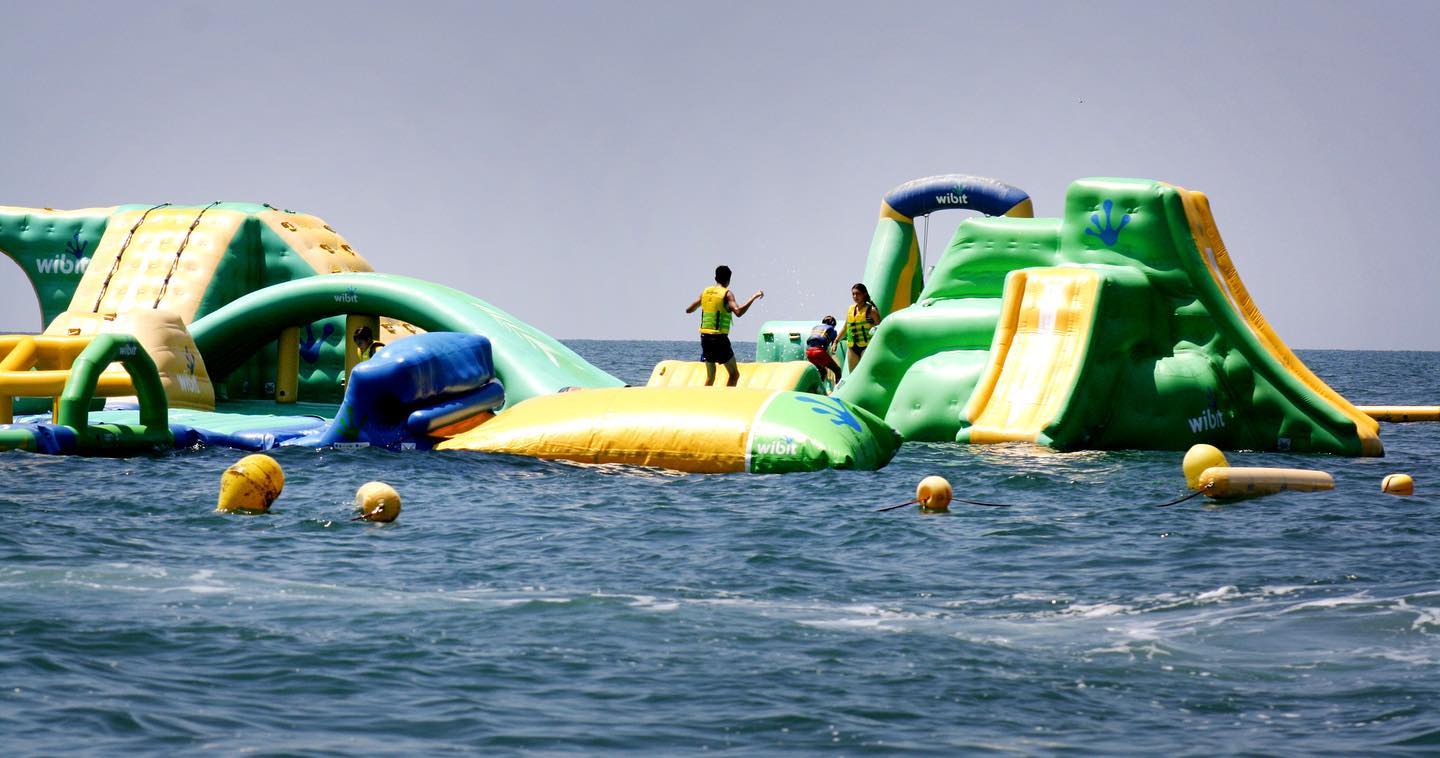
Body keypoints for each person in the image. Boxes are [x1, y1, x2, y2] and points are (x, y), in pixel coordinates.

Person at [684, 265, 763, 386]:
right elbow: (738, 312)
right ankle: (727, 401)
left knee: (710, 377)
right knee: (734, 374)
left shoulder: (705, 292)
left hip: (705, 338)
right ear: (729, 280)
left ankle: (704, 400)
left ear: (715, 277)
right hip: (719, 339)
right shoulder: (727, 294)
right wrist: (754, 297)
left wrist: (705, 303)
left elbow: (689, 310)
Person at [845, 283, 881, 372]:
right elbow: (846, 326)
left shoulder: (871, 311)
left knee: (865, 372)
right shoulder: (851, 309)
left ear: (864, 294)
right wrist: (836, 340)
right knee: (852, 374)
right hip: (852, 347)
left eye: (858, 294)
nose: (855, 296)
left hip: (867, 346)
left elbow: (880, 328)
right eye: (853, 294)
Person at [805, 315, 842, 383]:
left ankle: (819, 389)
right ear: (833, 324)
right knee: (837, 370)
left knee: (823, 371)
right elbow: (834, 344)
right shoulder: (832, 329)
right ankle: (838, 389)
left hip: (808, 352)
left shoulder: (815, 328)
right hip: (819, 351)